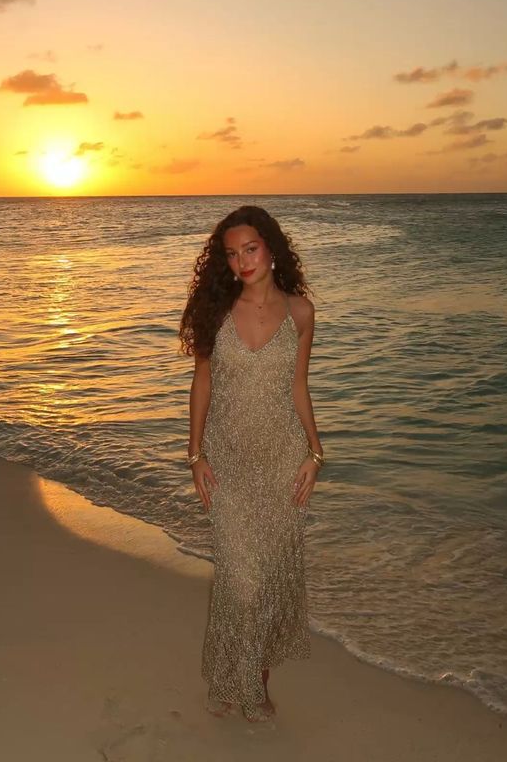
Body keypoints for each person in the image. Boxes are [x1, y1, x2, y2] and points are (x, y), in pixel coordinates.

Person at [179, 205, 324, 723]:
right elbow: (203, 384)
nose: (241, 261)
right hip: (231, 461)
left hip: (284, 460)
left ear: (272, 247)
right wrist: (195, 455)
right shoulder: (215, 312)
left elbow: (299, 387)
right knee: (241, 579)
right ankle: (231, 674)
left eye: (250, 249)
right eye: (231, 253)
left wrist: (315, 453)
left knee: (271, 581)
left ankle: (252, 682)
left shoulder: (301, 312)